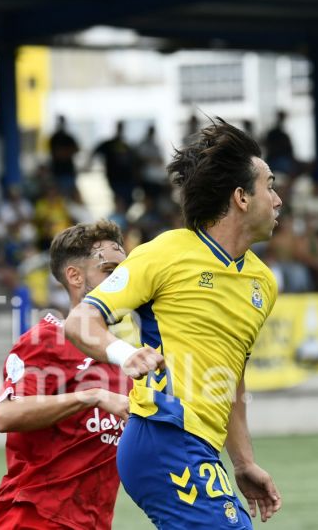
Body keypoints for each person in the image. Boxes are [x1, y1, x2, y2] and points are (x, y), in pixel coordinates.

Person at [65, 118, 283, 529]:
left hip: (201, 447)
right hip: (163, 435)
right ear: (240, 197)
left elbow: (232, 377)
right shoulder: (165, 252)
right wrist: (125, 353)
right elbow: (80, 321)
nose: (277, 199)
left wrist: (243, 461)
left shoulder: (262, 283)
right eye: (269, 185)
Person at [0, 219, 130, 530]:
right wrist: (92, 396)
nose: (123, 282)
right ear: (75, 276)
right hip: (34, 518)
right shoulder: (46, 340)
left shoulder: (123, 354)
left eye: (125, 272)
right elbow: (5, 415)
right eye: (109, 272)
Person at [48, 115, 80, 195]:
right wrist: (67, 152)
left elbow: (77, 149)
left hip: (69, 171)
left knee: (70, 194)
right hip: (57, 171)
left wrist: (64, 152)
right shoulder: (54, 138)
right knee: (60, 195)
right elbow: (56, 153)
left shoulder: (69, 137)